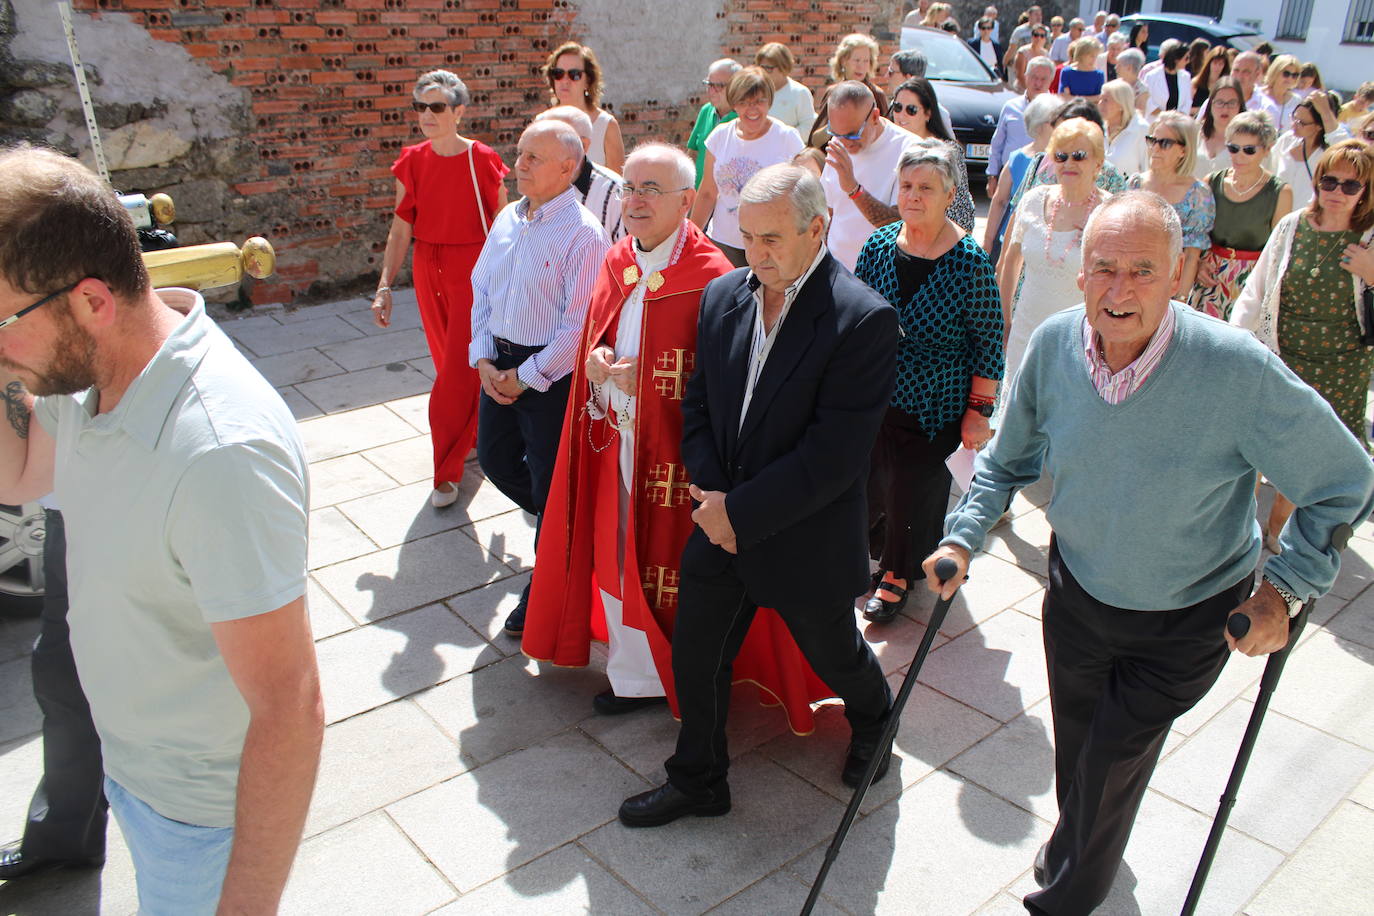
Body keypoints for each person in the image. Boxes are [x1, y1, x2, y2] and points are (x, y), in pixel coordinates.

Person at [925, 188, 1374, 916]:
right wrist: (963, 533)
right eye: (1104, 268)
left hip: (1187, 615)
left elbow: (1343, 478)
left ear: (1177, 276)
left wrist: (1286, 588)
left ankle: (1067, 894)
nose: (1120, 289)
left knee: (1108, 760)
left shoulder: (1234, 368)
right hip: (1077, 593)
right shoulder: (1054, 346)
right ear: (1080, 273)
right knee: (1079, 749)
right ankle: (1079, 841)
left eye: (1142, 271)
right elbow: (1007, 460)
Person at [0, 145, 322, 914]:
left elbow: (291, 707)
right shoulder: (88, 379)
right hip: (134, 776)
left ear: (91, 302)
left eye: (2, 322)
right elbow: (18, 474)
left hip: (202, 824)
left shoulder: (219, 452)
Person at [617, 165, 899, 827]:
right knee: (698, 655)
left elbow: (833, 458)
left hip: (803, 533)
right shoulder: (723, 296)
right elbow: (700, 406)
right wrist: (714, 500)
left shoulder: (862, 319)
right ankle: (698, 780)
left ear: (817, 228)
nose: (756, 253)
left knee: (835, 653)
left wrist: (737, 514)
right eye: (746, 236)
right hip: (720, 520)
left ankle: (875, 718)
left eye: (772, 239)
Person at [521, 143, 833, 726]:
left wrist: (646, 382)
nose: (635, 201)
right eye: (629, 188)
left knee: (664, 569)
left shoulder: (714, 277)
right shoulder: (618, 258)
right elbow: (600, 329)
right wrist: (599, 356)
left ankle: (673, 672)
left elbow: (729, 383)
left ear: (687, 201)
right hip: (614, 441)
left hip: (674, 461)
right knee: (614, 554)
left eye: (651, 190)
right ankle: (633, 671)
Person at [469, 119, 611, 635]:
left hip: (550, 373)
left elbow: (580, 327)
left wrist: (526, 376)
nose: (518, 165)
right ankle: (568, 532)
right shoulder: (509, 217)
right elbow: (481, 287)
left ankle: (544, 584)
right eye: (520, 153)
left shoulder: (583, 233)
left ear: (567, 168)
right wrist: (484, 360)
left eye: (533, 157)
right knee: (495, 459)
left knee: (550, 483)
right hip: (499, 358)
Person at [856, 143, 1004, 622]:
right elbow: (855, 313)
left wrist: (979, 413)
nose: (913, 196)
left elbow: (988, 343)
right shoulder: (879, 245)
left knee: (912, 489)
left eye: (925, 188)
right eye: (906, 186)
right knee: (871, 481)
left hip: (936, 401)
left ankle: (897, 576)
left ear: (950, 195)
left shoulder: (969, 261)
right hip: (878, 393)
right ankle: (866, 554)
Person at [374, 70, 508, 508]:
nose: (426, 115)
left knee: (454, 369)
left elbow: (505, 223)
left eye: (436, 106)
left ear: (458, 111)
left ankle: (445, 473)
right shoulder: (411, 160)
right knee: (447, 361)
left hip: (471, 268)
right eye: (420, 107)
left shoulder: (481, 158)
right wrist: (385, 285)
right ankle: (472, 436)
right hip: (426, 267)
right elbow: (400, 230)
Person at [1232, 140, 1374, 546]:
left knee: (1310, 455)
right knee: (1257, 443)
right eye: (1330, 181)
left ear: (1365, 191)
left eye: (1351, 185)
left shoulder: (1369, 236)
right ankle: (1240, 526)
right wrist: (1237, 341)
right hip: (1283, 356)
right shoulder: (1292, 226)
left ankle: (1278, 529)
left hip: (1342, 367)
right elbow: (1256, 290)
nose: (1337, 191)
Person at [0, 505, 105, 881]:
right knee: (64, 674)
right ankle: (68, 836)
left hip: (110, 510)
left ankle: (67, 837)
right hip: (72, 515)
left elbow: (16, 484)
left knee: (65, 672)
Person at [999, 118, 1111, 390]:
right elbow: (1010, 263)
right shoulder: (1033, 200)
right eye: (1061, 156)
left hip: (1080, 339)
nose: (1068, 163)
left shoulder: (1109, 212)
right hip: (1026, 332)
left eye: (1079, 155)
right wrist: (1004, 321)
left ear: (1098, 163)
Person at [693, 67, 804, 267]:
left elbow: (802, 195)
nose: (752, 109)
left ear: (769, 102)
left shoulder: (787, 138)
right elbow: (707, 192)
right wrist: (691, 238)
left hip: (770, 243)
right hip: (724, 242)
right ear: (734, 104)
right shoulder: (720, 136)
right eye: (743, 102)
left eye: (759, 101)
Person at [1189, 112, 1291, 320]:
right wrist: (1198, 263)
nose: (1239, 156)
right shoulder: (1212, 182)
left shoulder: (1280, 192)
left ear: (1267, 150)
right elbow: (1197, 234)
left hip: (1252, 282)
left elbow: (1278, 251)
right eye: (1233, 148)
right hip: (1210, 277)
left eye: (1249, 150)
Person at [818, 80, 923, 271]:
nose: (845, 143)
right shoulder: (839, 142)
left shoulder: (910, 149)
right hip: (837, 271)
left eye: (853, 134)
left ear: (874, 116)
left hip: (881, 276)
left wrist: (854, 190)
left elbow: (900, 226)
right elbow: (827, 211)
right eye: (836, 133)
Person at [1129, 112, 1215, 296]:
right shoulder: (1135, 184)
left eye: (1165, 143)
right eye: (1152, 140)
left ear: (1183, 150)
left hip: (1170, 286)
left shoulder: (1198, 193)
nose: (1155, 148)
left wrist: (1180, 300)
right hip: (1131, 280)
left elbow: (1191, 255)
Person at [888, 78, 977, 232]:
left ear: (928, 113)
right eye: (897, 107)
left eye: (911, 110)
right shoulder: (890, 146)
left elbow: (962, 213)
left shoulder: (949, 153)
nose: (901, 115)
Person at [984, 92, 1061, 260]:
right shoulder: (1017, 158)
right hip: (1012, 241)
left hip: (1048, 246)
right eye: (1055, 122)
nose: (1061, 126)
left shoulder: (1064, 160)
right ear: (1039, 125)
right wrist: (988, 242)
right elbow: (999, 201)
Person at [535, 106, 624, 243]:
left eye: (554, 141)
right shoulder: (534, 185)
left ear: (583, 145)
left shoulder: (613, 190)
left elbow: (628, 250)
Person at [542, 41, 624, 172]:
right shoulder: (541, 123)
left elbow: (617, 181)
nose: (565, 81)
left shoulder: (606, 126)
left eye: (574, 75)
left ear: (588, 81)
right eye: (558, 73)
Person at [986, 55, 1055, 197]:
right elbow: (997, 143)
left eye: (1043, 79)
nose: (1038, 83)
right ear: (1026, 76)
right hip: (1010, 175)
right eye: (1034, 77)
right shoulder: (1011, 106)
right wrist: (992, 176)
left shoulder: (1058, 110)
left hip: (1043, 179)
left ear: (1051, 80)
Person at [1273, 91, 1348, 210]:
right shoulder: (1287, 140)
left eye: (1302, 123)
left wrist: (1326, 112)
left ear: (1319, 126)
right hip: (1276, 213)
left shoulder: (1329, 151)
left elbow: (1345, 148)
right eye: (1294, 118)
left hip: (1308, 215)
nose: (1293, 125)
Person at [811, 33, 888, 148]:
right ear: (843, 61)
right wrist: (835, 126)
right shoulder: (834, 93)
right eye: (856, 60)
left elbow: (887, 136)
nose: (861, 66)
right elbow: (815, 141)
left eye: (866, 61)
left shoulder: (876, 94)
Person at [685, 58, 741, 188]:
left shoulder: (744, 118)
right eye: (709, 84)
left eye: (719, 86)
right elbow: (693, 152)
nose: (711, 91)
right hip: (699, 193)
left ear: (736, 87)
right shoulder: (706, 111)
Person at [885, 48, 955, 135]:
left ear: (909, 77)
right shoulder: (893, 105)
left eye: (911, 110)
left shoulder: (940, 113)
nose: (886, 76)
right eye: (898, 107)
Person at [755, 42, 816, 137]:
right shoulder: (754, 92)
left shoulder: (799, 92)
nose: (764, 72)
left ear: (783, 67)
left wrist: (781, 137)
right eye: (762, 67)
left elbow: (809, 128)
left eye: (769, 68)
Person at [1196, 77, 1245, 178]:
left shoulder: (1249, 140)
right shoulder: (1195, 132)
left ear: (1240, 106)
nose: (1225, 109)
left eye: (1232, 103)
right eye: (1220, 102)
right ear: (1210, 105)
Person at [1099, 79, 1148, 176]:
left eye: (1106, 100)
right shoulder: (1099, 129)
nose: (1100, 104)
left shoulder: (1141, 129)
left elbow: (1147, 169)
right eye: (1100, 99)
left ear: (1121, 104)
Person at [1143, 40, 1192, 116]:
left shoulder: (1186, 77)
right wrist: (1165, 116)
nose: (1188, 61)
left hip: (1177, 121)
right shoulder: (1151, 76)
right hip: (1155, 120)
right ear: (1176, 59)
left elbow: (1187, 102)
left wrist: (1176, 117)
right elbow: (1148, 102)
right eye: (1186, 58)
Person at [1255, 54, 1302, 132]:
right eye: (1286, 74)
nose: (1290, 78)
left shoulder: (1296, 100)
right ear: (1275, 72)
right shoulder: (1258, 94)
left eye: (1295, 75)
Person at [1058, 37, 1104, 102]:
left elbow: (1099, 99)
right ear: (1081, 54)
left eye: (1096, 56)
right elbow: (1063, 97)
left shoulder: (1099, 75)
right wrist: (1091, 98)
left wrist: (1072, 98)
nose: (1094, 59)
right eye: (1091, 56)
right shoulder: (1067, 72)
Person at [1191, 44, 1229, 115]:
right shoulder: (1196, 83)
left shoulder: (1225, 86)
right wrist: (1201, 110)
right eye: (1215, 63)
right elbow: (1185, 107)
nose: (1217, 67)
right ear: (1209, 63)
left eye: (1221, 64)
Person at [1013, 24, 1050, 94]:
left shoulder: (1046, 54)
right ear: (1032, 37)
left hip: (1039, 91)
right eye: (1036, 35)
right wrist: (1030, 91)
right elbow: (1019, 75)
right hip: (1022, 90)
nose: (1039, 38)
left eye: (1042, 36)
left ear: (1045, 39)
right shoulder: (1023, 52)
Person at [1114, 47, 1149, 115]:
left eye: (1119, 65)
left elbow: (1140, 115)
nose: (1115, 68)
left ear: (1129, 68)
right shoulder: (1115, 84)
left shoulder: (1141, 90)